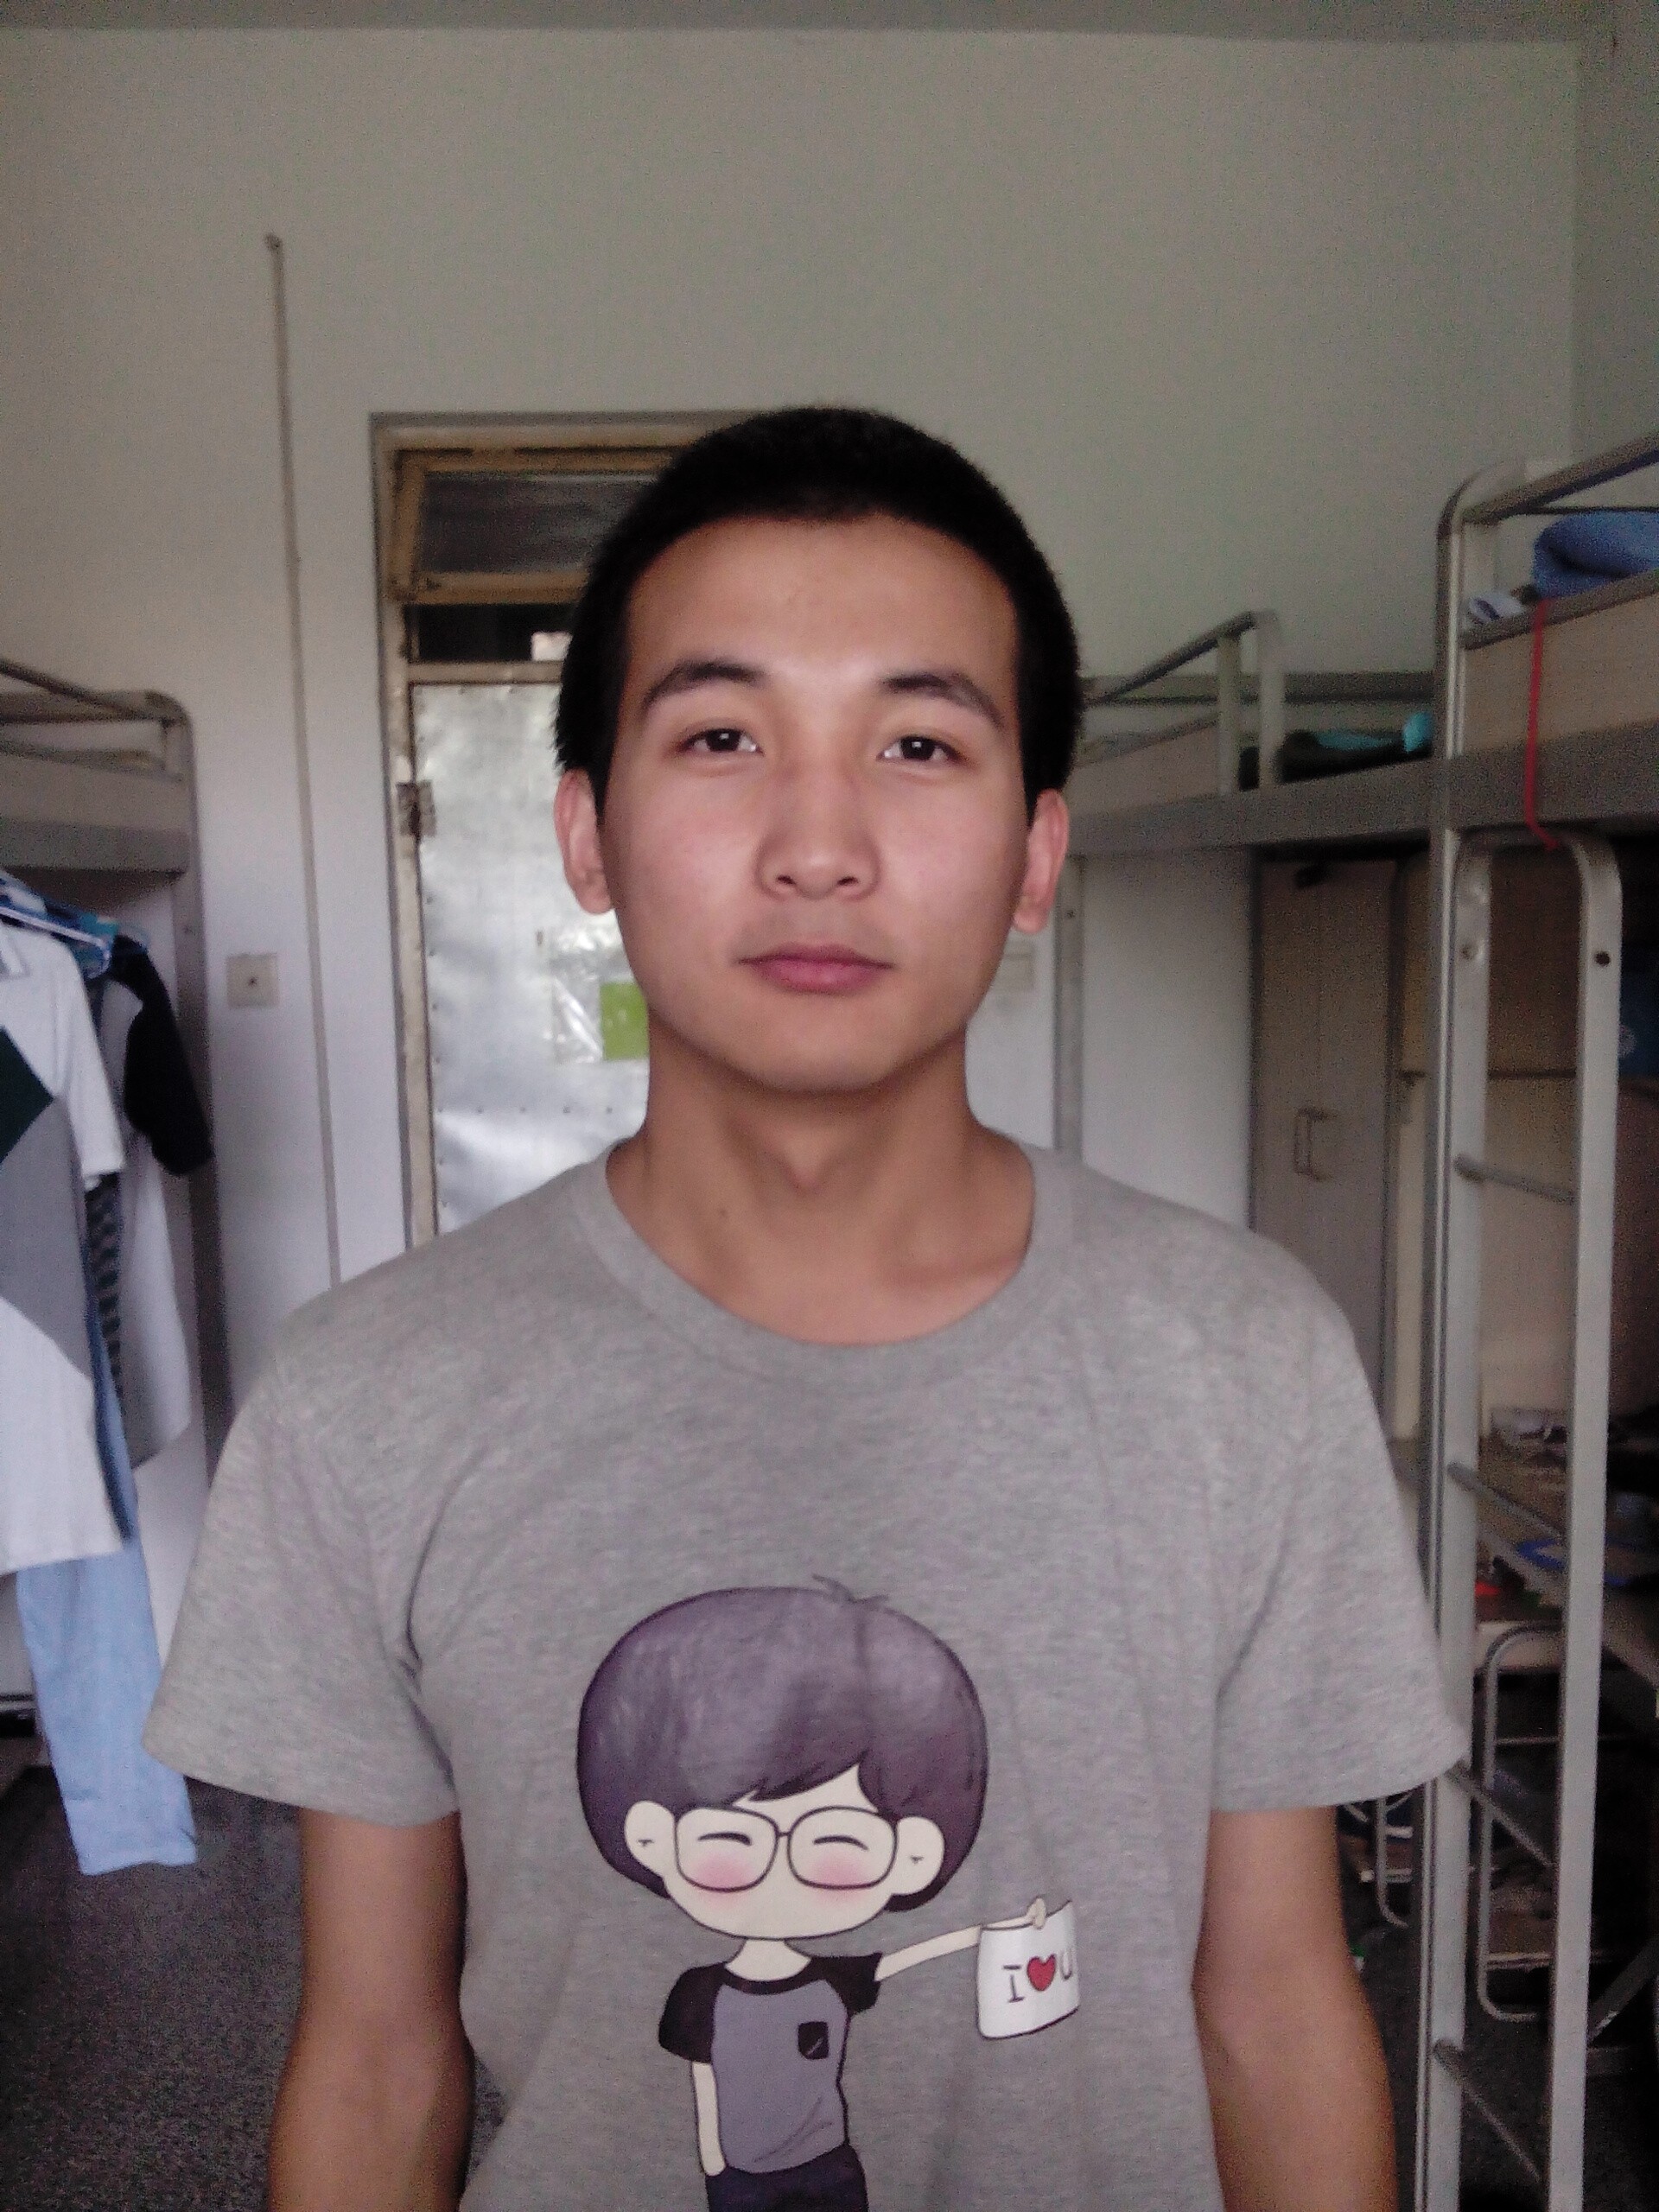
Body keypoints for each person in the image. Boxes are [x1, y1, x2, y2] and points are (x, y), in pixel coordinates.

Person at [147, 405, 1459, 2212]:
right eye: (722, 735)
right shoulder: (366, 1395)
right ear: (588, 834)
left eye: (918, 742)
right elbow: (376, 2058)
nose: (819, 843)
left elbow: (1277, 2013)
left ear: (1037, 855)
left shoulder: (1245, 1361)